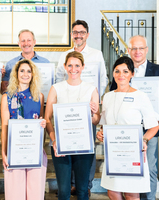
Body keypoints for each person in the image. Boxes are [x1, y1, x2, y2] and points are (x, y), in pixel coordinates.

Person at [109, 35, 159, 200]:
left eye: (141, 48)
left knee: (149, 168)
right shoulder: (121, 71)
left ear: (147, 50)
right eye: (134, 48)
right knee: (126, 167)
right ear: (128, 50)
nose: (137, 51)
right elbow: (113, 95)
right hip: (124, 129)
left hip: (149, 128)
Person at [55, 20, 107, 195]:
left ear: (87, 34)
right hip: (66, 112)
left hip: (87, 110)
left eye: (82, 32)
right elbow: (57, 79)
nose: (78, 35)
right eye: (75, 32)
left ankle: (86, 183)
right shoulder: (64, 55)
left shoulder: (96, 54)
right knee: (68, 147)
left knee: (87, 148)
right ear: (71, 34)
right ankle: (70, 183)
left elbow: (103, 79)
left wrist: (95, 103)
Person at [98, 56, 159, 200]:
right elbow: (104, 124)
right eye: (117, 71)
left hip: (132, 153)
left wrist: (144, 140)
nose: (121, 75)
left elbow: (154, 126)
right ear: (113, 73)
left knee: (132, 194)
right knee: (113, 192)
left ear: (132, 74)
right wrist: (101, 134)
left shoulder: (141, 96)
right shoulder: (107, 97)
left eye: (125, 71)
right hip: (113, 153)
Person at [45, 51, 100, 200]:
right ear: (64, 66)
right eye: (69, 65)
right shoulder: (56, 88)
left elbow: (95, 121)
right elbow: (47, 118)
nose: (73, 69)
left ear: (83, 67)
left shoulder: (91, 89)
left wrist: (95, 113)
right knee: (63, 191)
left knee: (82, 190)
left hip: (84, 145)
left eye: (77, 65)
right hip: (60, 145)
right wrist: (54, 139)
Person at [1, 59, 47, 200]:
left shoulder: (39, 97)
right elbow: (4, 126)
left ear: (33, 74)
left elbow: (41, 124)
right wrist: (3, 152)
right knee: (15, 194)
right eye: (22, 70)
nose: (25, 74)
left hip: (35, 151)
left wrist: (43, 123)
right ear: (16, 73)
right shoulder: (6, 98)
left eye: (29, 71)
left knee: (35, 194)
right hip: (14, 151)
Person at [1, 29, 49, 94]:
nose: (26, 43)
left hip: (39, 101)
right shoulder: (10, 64)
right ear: (19, 43)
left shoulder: (46, 63)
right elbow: (4, 90)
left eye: (29, 40)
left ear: (34, 42)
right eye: (23, 41)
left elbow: (50, 87)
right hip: (17, 101)